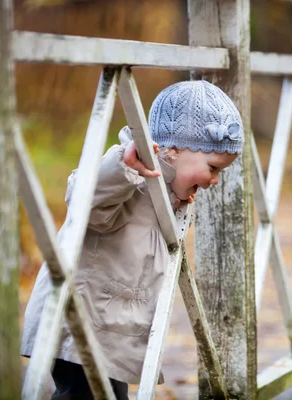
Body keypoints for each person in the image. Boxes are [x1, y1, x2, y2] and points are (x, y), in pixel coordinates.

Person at [21, 80, 244, 399]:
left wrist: (175, 201)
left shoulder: (166, 193)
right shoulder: (129, 178)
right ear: (174, 149)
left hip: (111, 332)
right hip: (79, 322)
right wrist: (124, 164)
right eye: (212, 168)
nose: (214, 180)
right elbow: (84, 198)